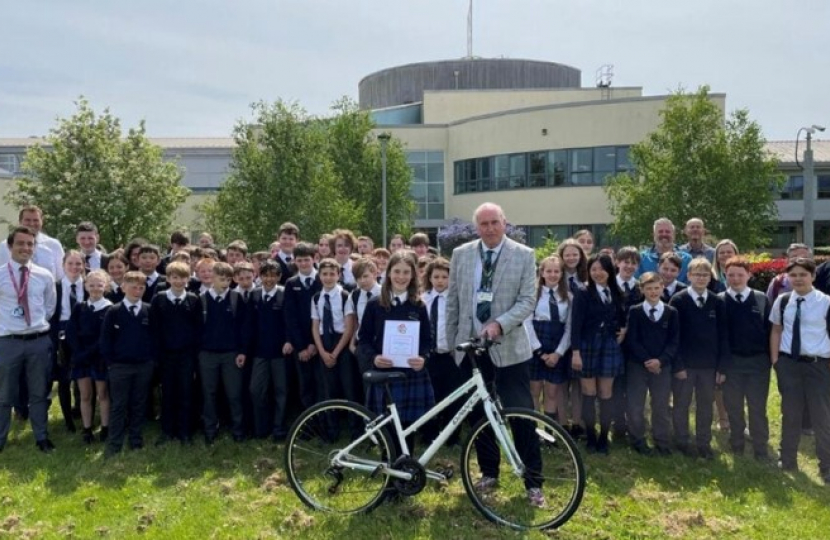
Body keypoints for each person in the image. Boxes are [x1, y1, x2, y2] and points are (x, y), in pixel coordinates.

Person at [445, 202, 544, 507]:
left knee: (521, 415)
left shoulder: (523, 255)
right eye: (483, 224)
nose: (489, 228)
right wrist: (453, 344)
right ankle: (489, 473)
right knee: (479, 416)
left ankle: (533, 483)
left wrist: (499, 324)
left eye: (494, 222)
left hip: (510, 350)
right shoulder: (461, 255)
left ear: (505, 223)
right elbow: (453, 301)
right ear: (477, 227)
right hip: (472, 349)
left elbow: (528, 300)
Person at [358, 251, 433, 451]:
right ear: (388, 273)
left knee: (408, 429)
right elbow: (363, 340)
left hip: (410, 374)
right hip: (384, 374)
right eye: (397, 271)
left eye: (406, 272)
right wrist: (374, 358)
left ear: (413, 276)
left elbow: (427, 341)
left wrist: (423, 358)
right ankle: (390, 475)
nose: (401, 276)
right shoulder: (375, 305)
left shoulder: (418, 306)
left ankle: (406, 472)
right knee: (387, 430)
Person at [769, 257, 830, 483]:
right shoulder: (783, 301)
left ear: (813, 276)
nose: (798, 279)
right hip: (789, 365)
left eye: (803, 274)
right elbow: (776, 330)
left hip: (818, 366)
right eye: (793, 275)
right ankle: (787, 460)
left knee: (821, 417)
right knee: (790, 413)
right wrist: (776, 360)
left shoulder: (826, 302)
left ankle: (826, 466)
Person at [0, 225, 57, 453]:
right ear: (10, 246)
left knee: (39, 393)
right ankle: (0, 439)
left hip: (38, 341)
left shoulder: (44, 275)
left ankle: (41, 437)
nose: (25, 248)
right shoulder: (1, 274)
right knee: (4, 394)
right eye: (21, 243)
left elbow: (49, 307)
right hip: (8, 342)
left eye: (30, 244)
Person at [669, 257, 730, 459]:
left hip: (709, 366)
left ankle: (703, 442)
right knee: (682, 404)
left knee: (705, 406)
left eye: (705, 274)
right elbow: (672, 337)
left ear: (710, 277)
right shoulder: (678, 300)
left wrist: (722, 367)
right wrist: (677, 365)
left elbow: (724, 336)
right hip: (685, 366)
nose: (701, 278)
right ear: (688, 276)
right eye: (697, 274)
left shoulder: (717, 301)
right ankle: (682, 441)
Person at [571, 253, 626, 455]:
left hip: (609, 346)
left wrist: (623, 330)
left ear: (609, 271)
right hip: (587, 346)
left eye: (601, 269)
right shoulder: (583, 292)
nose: (597, 273)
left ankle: (604, 436)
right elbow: (575, 324)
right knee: (589, 393)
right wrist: (575, 352)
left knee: (606, 393)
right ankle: (591, 436)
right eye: (593, 269)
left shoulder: (616, 292)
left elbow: (622, 317)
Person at [719, 256, 772, 461]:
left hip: (758, 364)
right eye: (731, 274)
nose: (735, 278)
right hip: (732, 364)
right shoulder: (720, 300)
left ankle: (760, 449)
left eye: (740, 274)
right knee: (734, 407)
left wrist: (769, 360)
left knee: (757, 408)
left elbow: (769, 331)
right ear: (725, 275)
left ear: (749, 275)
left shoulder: (760, 299)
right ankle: (737, 445)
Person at [100, 271, 154, 457]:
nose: (137, 290)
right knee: (119, 405)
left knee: (139, 403)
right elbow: (105, 340)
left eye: (141, 287)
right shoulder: (113, 311)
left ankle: (136, 439)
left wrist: (150, 361)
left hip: (143, 366)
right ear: (123, 287)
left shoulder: (149, 310)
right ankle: (115, 442)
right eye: (133, 287)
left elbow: (155, 338)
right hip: (119, 367)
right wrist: (111, 364)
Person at [624, 272, 679, 456]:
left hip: (662, 367)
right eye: (649, 289)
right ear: (642, 290)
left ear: (662, 288)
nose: (653, 292)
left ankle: (662, 441)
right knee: (636, 404)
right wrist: (647, 360)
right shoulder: (636, 311)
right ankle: (638, 440)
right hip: (638, 365)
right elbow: (632, 340)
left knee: (661, 405)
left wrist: (660, 361)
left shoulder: (671, 312)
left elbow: (674, 341)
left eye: (656, 288)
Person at [149, 261, 202, 445]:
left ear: (188, 279)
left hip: (186, 356)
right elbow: (154, 330)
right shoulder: (159, 299)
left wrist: (195, 358)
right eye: (175, 277)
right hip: (166, 355)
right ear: (169, 278)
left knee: (186, 393)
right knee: (168, 393)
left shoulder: (194, 300)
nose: (179, 281)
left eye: (183, 277)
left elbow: (197, 330)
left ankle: (185, 431)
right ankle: (167, 431)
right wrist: (156, 355)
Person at [199, 261, 248, 444]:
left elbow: (244, 328)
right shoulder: (202, 299)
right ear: (212, 277)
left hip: (231, 354)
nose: (225, 282)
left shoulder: (236, 298)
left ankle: (238, 429)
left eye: (228, 279)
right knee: (209, 393)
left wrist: (242, 351)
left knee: (234, 393)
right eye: (222, 279)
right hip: (207, 354)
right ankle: (210, 429)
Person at [421, 256, 464, 446]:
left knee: (453, 396)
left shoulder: (455, 300)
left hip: (450, 355)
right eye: (436, 276)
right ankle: (429, 434)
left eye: (444, 277)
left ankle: (451, 436)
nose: (440, 281)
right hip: (429, 356)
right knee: (430, 396)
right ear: (429, 278)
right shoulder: (423, 299)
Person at [67, 269, 112, 444]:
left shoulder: (109, 308)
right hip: (81, 358)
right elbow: (71, 332)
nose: (95, 288)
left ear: (105, 286)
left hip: (99, 357)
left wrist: (88, 352)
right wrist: (78, 352)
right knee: (85, 394)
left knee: (103, 393)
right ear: (85, 286)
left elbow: (105, 337)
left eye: (99, 284)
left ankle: (105, 427)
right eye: (91, 284)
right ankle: (87, 429)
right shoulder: (80, 307)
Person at [527, 255, 572, 430]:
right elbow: (527, 323)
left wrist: (558, 353)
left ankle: (550, 432)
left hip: (557, 346)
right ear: (542, 273)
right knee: (534, 390)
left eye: (557, 271)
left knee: (552, 392)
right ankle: (534, 431)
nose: (553, 275)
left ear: (561, 274)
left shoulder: (568, 297)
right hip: (536, 345)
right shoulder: (533, 294)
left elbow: (569, 328)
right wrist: (539, 351)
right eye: (549, 271)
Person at [247, 260, 288, 440]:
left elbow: (290, 322)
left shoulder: (284, 295)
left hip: (281, 352)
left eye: (273, 275)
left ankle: (279, 429)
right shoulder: (254, 295)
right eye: (265, 275)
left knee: (281, 391)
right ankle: (260, 428)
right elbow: (247, 325)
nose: (269, 279)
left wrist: (289, 341)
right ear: (260, 276)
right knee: (256, 390)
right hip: (259, 352)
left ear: (279, 276)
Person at [311, 258, 359, 407]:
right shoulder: (317, 297)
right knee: (327, 387)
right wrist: (323, 352)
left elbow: (349, 326)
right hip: (324, 342)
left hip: (341, 343)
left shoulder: (345, 296)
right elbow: (315, 325)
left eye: (332, 274)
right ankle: (331, 426)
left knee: (348, 385)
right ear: (319, 276)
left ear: (338, 275)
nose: (328, 277)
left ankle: (354, 424)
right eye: (324, 274)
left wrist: (336, 353)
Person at [50, 250, 88, 434]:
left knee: (84, 376)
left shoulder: (89, 286)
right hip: (62, 333)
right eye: (70, 264)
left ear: (83, 266)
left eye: (78, 264)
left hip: (84, 333)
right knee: (64, 378)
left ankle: (82, 412)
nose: (74, 267)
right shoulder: (54, 286)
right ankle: (68, 421)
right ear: (63, 265)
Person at [283, 242, 322, 409]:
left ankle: (326, 424)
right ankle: (308, 425)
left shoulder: (323, 279)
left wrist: (314, 344)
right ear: (294, 261)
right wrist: (302, 347)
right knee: (305, 385)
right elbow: (290, 317)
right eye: (300, 260)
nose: (304, 264)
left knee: (322, 384)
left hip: (321, 343)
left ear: (314, 259)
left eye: (307, 259)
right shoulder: (291, 283)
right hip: (301, 345)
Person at [0, 206, 63, 279]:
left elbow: (61, 276)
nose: (32, 223)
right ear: (20, 221)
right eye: (27, 220)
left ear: (42, 221)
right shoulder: (5, 246)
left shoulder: (54, 245)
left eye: (36, 220)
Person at [637, 218, 692, 283]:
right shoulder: (641, 258)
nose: (664, 234)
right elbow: (638, 284)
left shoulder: (687, 259)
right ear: (654, 235)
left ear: (674, 235)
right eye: (660, 231)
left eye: (667, 232)